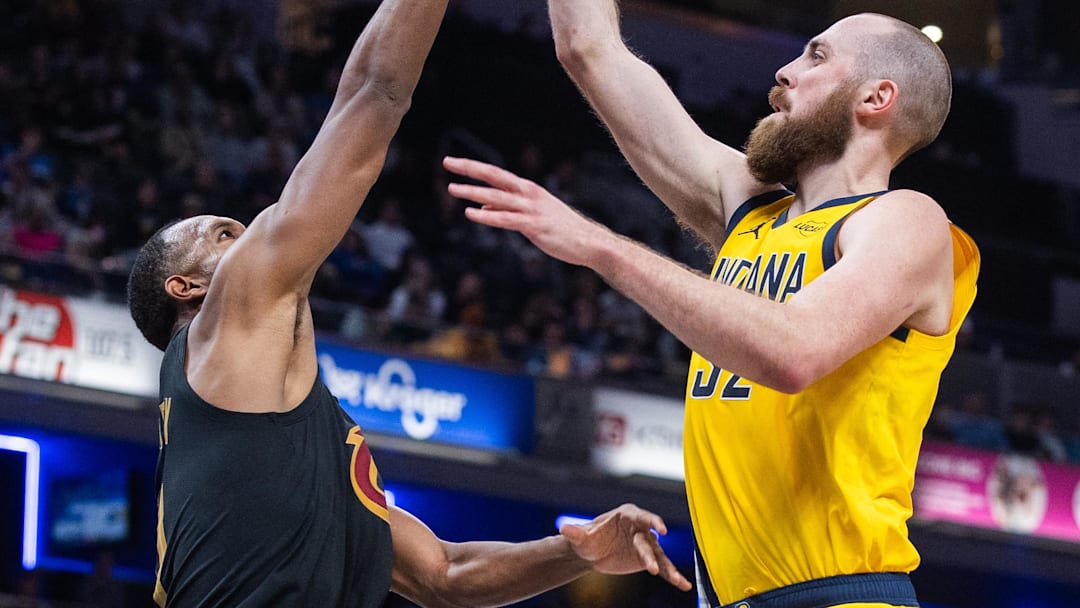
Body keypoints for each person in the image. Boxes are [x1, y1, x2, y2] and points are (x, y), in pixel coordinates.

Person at [125, 0, 691, 606]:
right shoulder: (220, 326)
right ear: (186, 289)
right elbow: (374, 91)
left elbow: (445, 576)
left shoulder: (294, 435)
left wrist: (575, 552)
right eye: (223, 235)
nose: (248, 236)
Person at [443, 5, 980, 608]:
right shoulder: (751, 211)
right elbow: (588, 49)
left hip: (842, 594)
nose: (784, 70)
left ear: (876, 97)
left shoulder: (906, 221)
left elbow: (793, 351)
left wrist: (604, 249)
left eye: (816, 56)